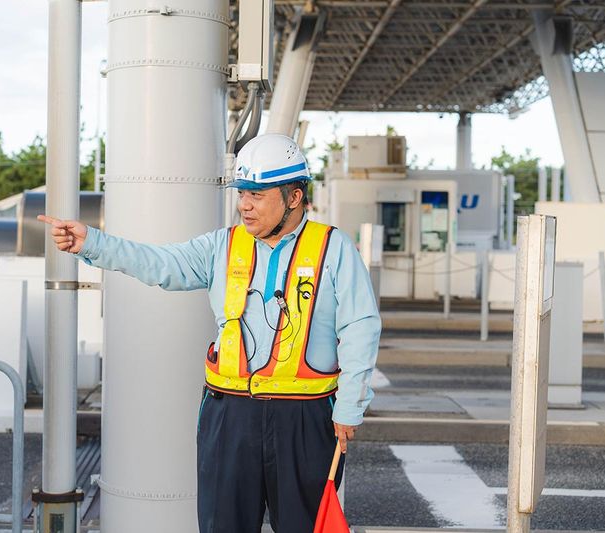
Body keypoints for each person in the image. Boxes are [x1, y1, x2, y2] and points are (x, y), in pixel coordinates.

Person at [39, 133, 381, 533]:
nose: (244, 205)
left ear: (293, 196)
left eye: (257, 194)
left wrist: (350, 406)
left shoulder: (334, 248)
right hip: (229, 415)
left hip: (305, 420)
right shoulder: (222, 246)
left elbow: (361, 326)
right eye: (242, 193)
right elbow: (159, 263)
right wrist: (92, 243)